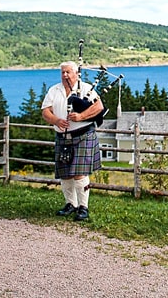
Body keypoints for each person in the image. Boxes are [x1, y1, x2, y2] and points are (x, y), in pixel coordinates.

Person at [41, 60, 103, 222]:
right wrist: (56, 120)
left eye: (68, 72)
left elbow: (99, 107)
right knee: (65, 174)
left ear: (76, 73)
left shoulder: (86, 88)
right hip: (63, 137)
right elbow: (45, 111)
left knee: (79, 174)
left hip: (83, 135)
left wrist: (81, 116)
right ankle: (71, 204)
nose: (65, 75)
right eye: (62, 72)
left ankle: (83, 207)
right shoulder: (54, 90)